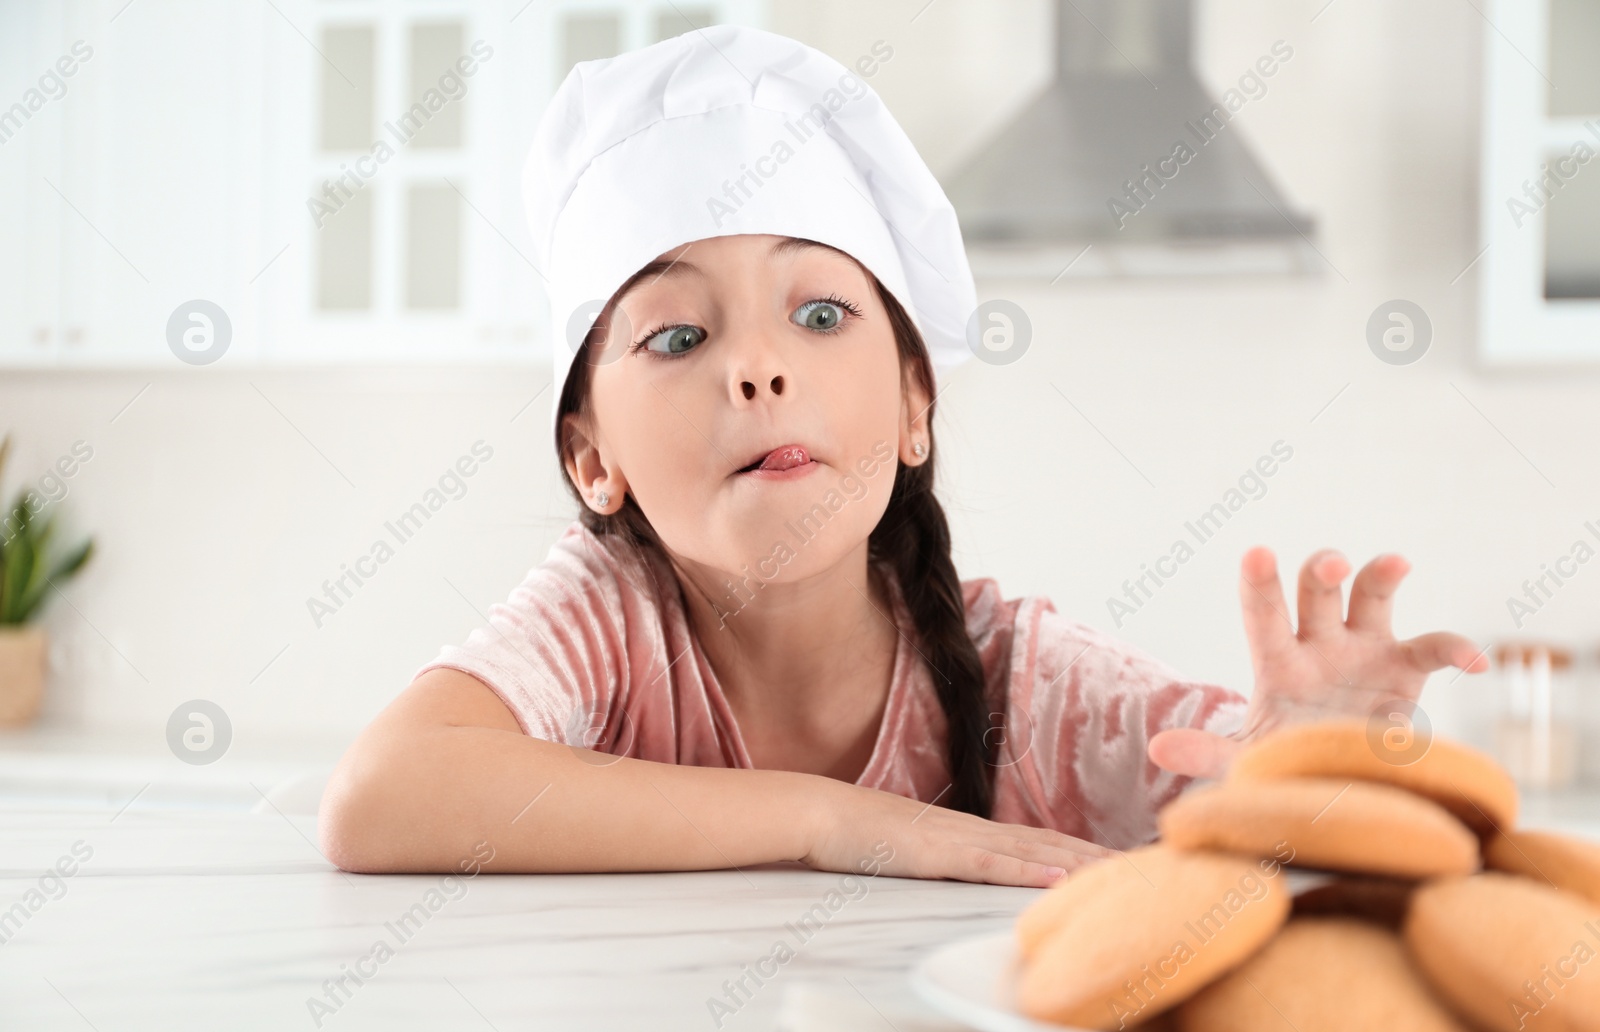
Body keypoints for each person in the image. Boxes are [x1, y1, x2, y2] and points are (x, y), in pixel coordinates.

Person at [319, 26, 1486, 886]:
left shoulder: (1024, 683)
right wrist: (842, 820)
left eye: (820, 314)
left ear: (916, 400)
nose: (757, 369)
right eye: (678, 334)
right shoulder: (609, 621)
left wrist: (1319, 763)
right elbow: (381, 797)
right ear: (590, 458)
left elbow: (1282, 837)